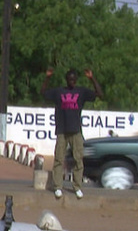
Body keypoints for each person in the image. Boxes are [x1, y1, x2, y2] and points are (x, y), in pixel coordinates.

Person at [41, 68, 103, 200]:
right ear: (67, 80)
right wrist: (47, 78)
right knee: (58, 159)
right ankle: (58, 186)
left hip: (76, 131)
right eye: (70, 80)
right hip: (62, 130)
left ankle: (77, 187)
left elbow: (99, 94)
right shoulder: (59, 92)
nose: (72, 82)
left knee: (78, 159)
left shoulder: (81, 92)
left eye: (74, 80)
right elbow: (43, 93)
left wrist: (92, 78)